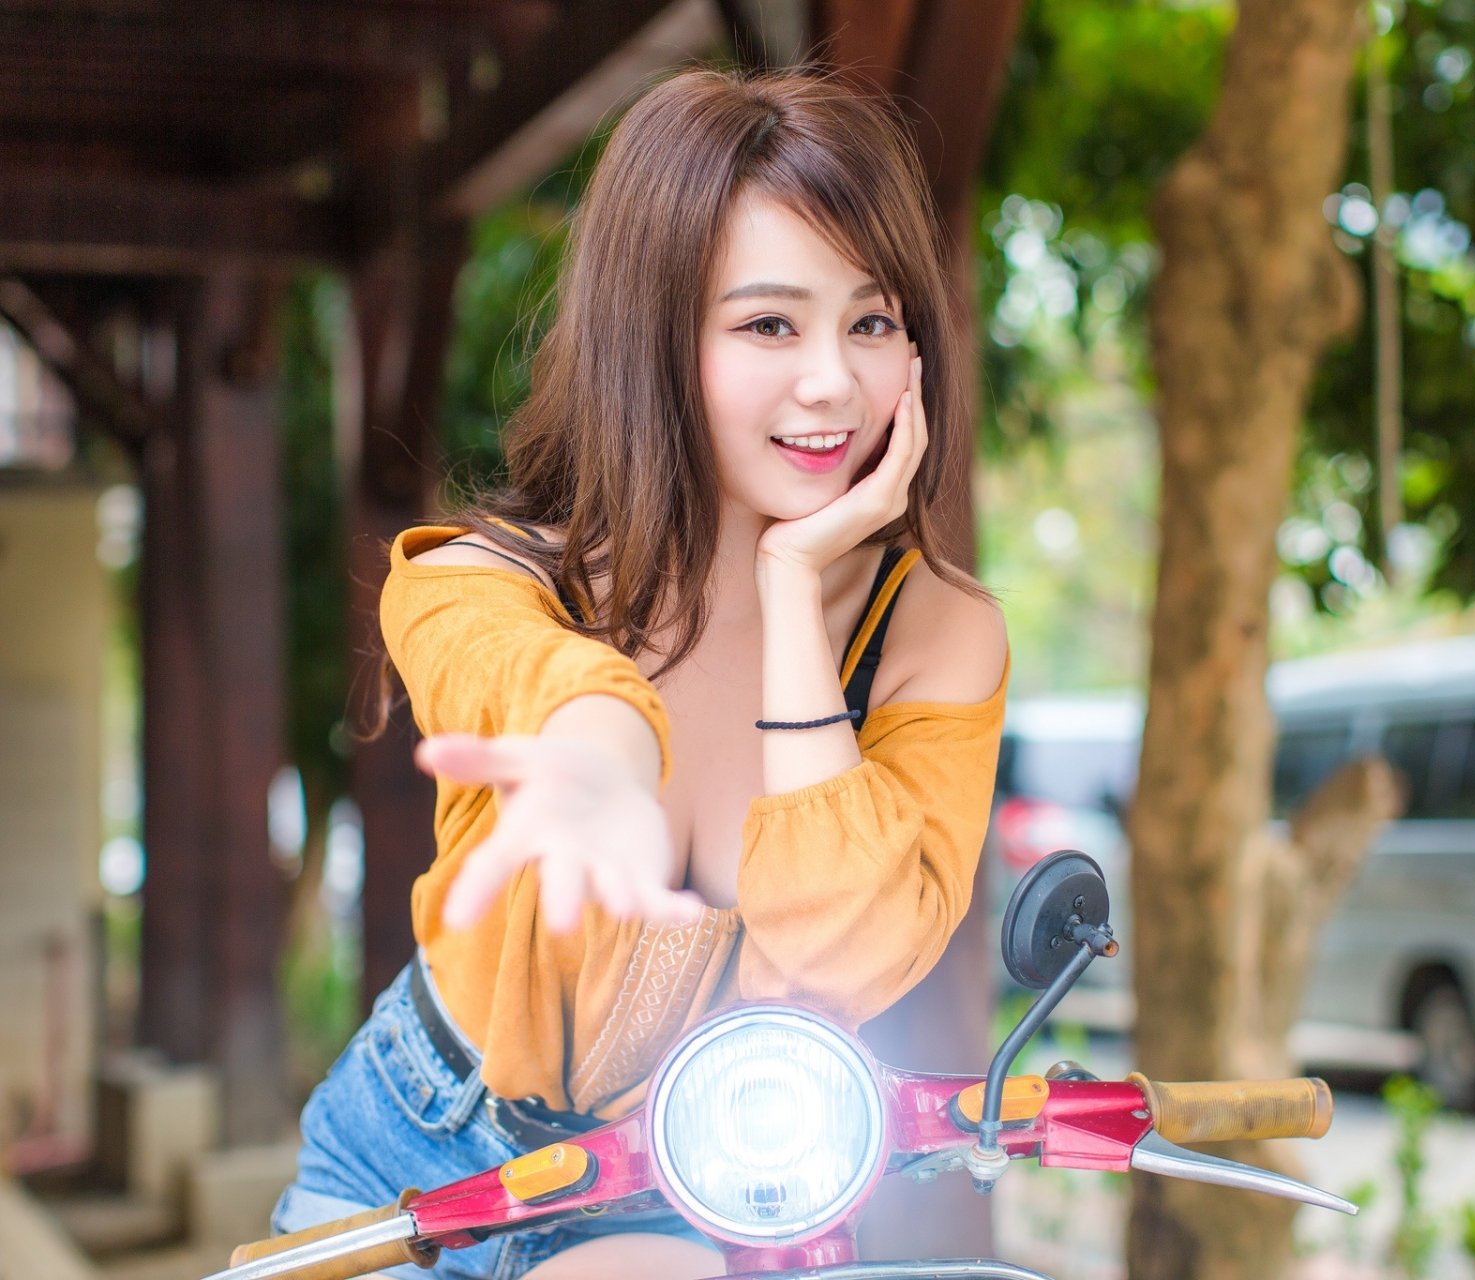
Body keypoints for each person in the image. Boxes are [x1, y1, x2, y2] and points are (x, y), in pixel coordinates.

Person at [268, 65, 1009, 1280]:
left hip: (675, 1194)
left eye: (872, 321)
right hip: (406, 1154)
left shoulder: (936, 632)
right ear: (656, 335)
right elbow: (542, 684)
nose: (832, 380)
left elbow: (848, 953)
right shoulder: (480, 577)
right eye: (769, 323)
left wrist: (793, 596)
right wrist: (600, 756)